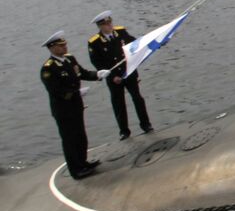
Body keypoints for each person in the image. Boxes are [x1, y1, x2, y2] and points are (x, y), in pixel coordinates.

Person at [40, 31, 108, 179]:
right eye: (61, 46)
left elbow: (82, 73)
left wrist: (97, 75)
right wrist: (75, 93)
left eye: (65, 45)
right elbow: (55, 90)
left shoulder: (70, 59)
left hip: (76, 105)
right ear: (52, 48)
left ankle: (83, 162)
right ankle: (75, 170)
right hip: (63, 109)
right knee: (69, 138)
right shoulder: (48, 68)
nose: (65, 48)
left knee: (80, 135)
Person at [87, 11, 153, 140]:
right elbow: (97, 62)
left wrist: (150, 42)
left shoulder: (121, 32)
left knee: (138, 99)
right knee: (118, 103)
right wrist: (112, 77)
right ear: (100, 26)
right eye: (106, 24)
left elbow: (135, 44)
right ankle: (124, 131)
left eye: (110, 22)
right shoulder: (94, 42)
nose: (109, 26)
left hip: (128, 72)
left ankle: (146, 125)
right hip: (114, 77)